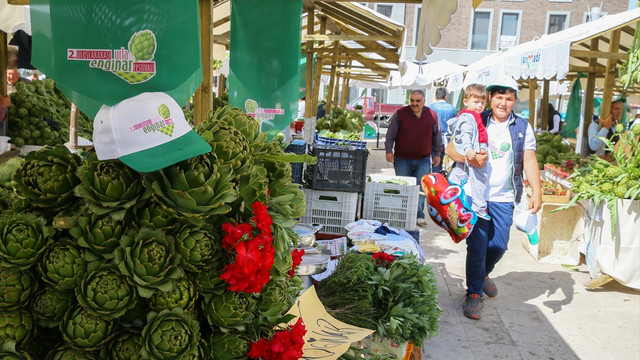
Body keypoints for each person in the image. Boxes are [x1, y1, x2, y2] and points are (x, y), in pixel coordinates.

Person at [445, 76, 541, 320]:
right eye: (499, 97)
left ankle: (482, 275)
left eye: (509, 99)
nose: (503, 103)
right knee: (477, 245)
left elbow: (528, 159)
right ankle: (474, 294)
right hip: (474, 195)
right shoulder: (475, 118)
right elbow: (449, 149)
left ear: (514, 101)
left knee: (498, 245)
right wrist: (470, 158)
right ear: (490, 98)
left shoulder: (522, 126)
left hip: (504, 196)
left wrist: (537, 191)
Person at [385, 89, 443, 228]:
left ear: (424, 101)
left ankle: (418, 216)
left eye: (418, 101)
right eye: (412, 100)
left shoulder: (432, 115)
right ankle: (403, 214)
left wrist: (437, 154)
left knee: (421, 189)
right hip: (402, 159)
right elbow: (390, 134)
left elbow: (437, 136)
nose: (414, 103)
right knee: (404, 187)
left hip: (423, 159)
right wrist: (388, 150)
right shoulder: (400, 114)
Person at [447, 83, 490, 220]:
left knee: (459, 175)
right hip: (472, 152)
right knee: (479, 181)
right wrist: (468, 150)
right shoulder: (469, 117)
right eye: (476, 102)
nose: (480, 105)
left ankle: (449, 194)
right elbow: (465, 135)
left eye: (482, 103)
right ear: (466, 102)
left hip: (473, 151)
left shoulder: (474, 116)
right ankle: (479, 207)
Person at [428, 87, 458, 173]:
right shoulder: (452, 108)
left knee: (434, 161)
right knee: (442, 161)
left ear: (435, 96)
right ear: (445, 96)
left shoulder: (430, 108)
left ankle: (435, 178)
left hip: (432, 139)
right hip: (446, 139)